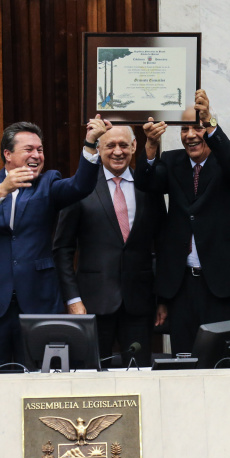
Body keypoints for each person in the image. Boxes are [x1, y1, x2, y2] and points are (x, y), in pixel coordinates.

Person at [0, 119, 107, 366]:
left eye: (40, 150)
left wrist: (90, 144)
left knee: (35, 374)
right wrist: (2, 190)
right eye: (28, 149)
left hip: (38, 300)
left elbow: (80, 185)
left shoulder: (48, 182)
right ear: (8, 154)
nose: (37, 155)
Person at [134, 89, 230, 354]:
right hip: (182, 288)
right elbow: (146, 182)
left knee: (226, 362)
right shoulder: (172, 161)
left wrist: (211, 123)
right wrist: (149, 145)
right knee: (186, 360)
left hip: (225, 285)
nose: (190, 135)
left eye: (197, 127)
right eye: (184, 129)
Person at [53, 125, 166, 367]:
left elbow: (163, 243)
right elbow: (62, 249)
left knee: (140, 375)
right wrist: (72, 299)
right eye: (110, 146)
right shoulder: (79, 188)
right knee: (91, 377)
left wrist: (163, 298)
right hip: (91, 305)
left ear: (134, 146)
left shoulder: (148, 188)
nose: (118, 152)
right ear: (98, 149)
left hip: (140, 304)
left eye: (124, 145)